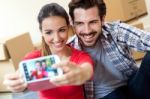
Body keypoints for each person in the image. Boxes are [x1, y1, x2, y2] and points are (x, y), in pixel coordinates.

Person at [3, 3, 94, 99]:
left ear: (68, 28)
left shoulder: (80, 56)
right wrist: (15, 83)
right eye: (49, 32)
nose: (57, 38)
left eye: (61, 30)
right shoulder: (33, 57)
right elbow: (20, 75)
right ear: (41, 32)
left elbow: (87, 70)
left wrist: (82, 74)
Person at [68, 0, 150, 99]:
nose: (87, 30)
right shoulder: (69, 49)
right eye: (80, 23)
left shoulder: (115, 31)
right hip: (105, 96)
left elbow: (146, 39)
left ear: (102, 19)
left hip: (132, 87)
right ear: (72, 22)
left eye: (93, 22)